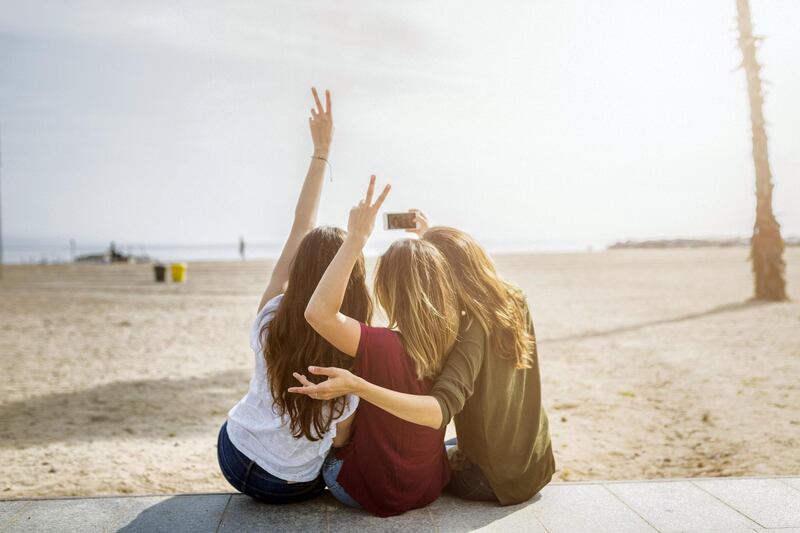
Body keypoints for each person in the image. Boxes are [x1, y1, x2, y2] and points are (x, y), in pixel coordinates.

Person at [291, 212, 556, 505]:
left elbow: (439, 410)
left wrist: (359, 385)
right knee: (436, 449)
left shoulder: (469, 331)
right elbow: (464, 266)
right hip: (535, 461)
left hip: (495, 479)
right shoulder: (512, 298)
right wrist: (431, 236)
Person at [217, 88, 373, 504]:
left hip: (233, 456)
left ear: (299, 271)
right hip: (287, 485)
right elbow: (342, 442)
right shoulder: (352, 352)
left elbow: (300, 227)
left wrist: (321, 152)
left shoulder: (270, 314)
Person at [302, 177, 460, 517]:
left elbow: (318, 313)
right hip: (428, 486)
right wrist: (426, 240)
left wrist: (356, 239)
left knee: (323, 453)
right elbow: (441, 278)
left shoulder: (375, 342)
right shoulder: (453, 338)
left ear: (385, 287)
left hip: (365, 491)